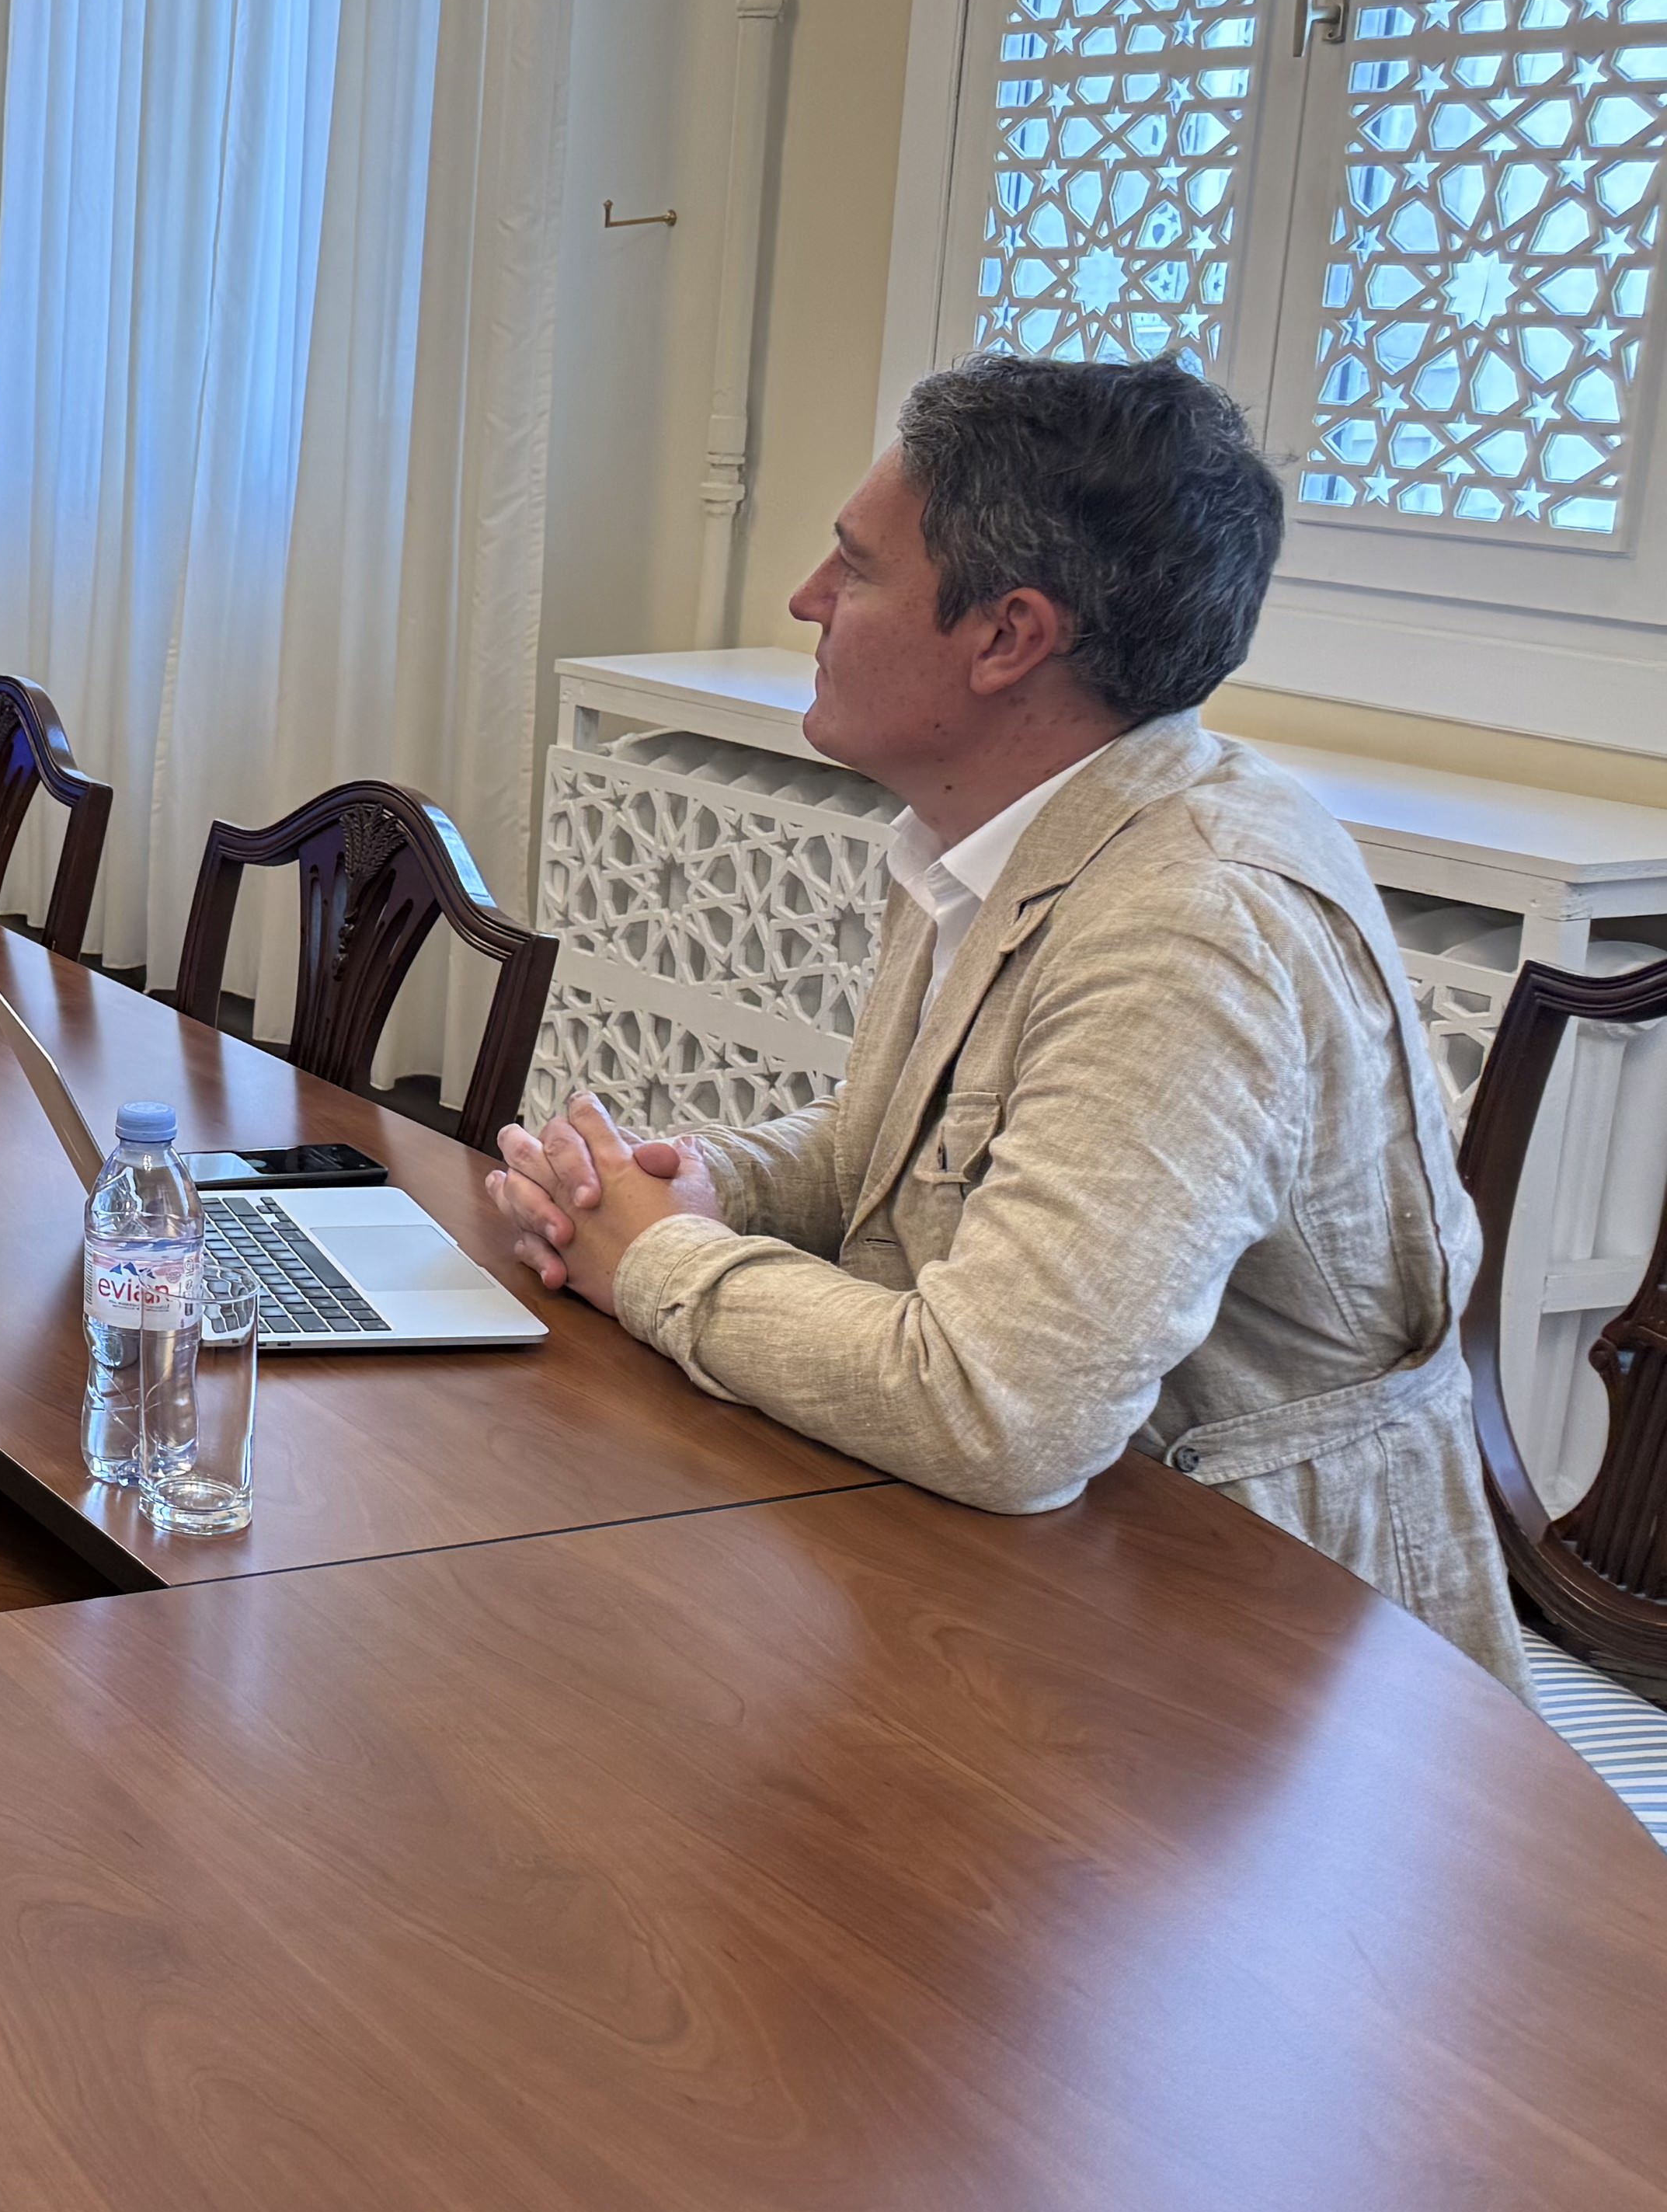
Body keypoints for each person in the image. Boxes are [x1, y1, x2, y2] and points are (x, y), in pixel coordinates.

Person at [487, 354, 1530, 1694]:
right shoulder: (989, 824)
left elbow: (1002, 1410)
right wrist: (693, 1183)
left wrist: (659, 1261)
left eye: (856, 569)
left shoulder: (1190, 922)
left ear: (1006, 638)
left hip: (1263, 1656)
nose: (807, 599)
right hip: (1052, 1576)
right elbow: (893, 1144)